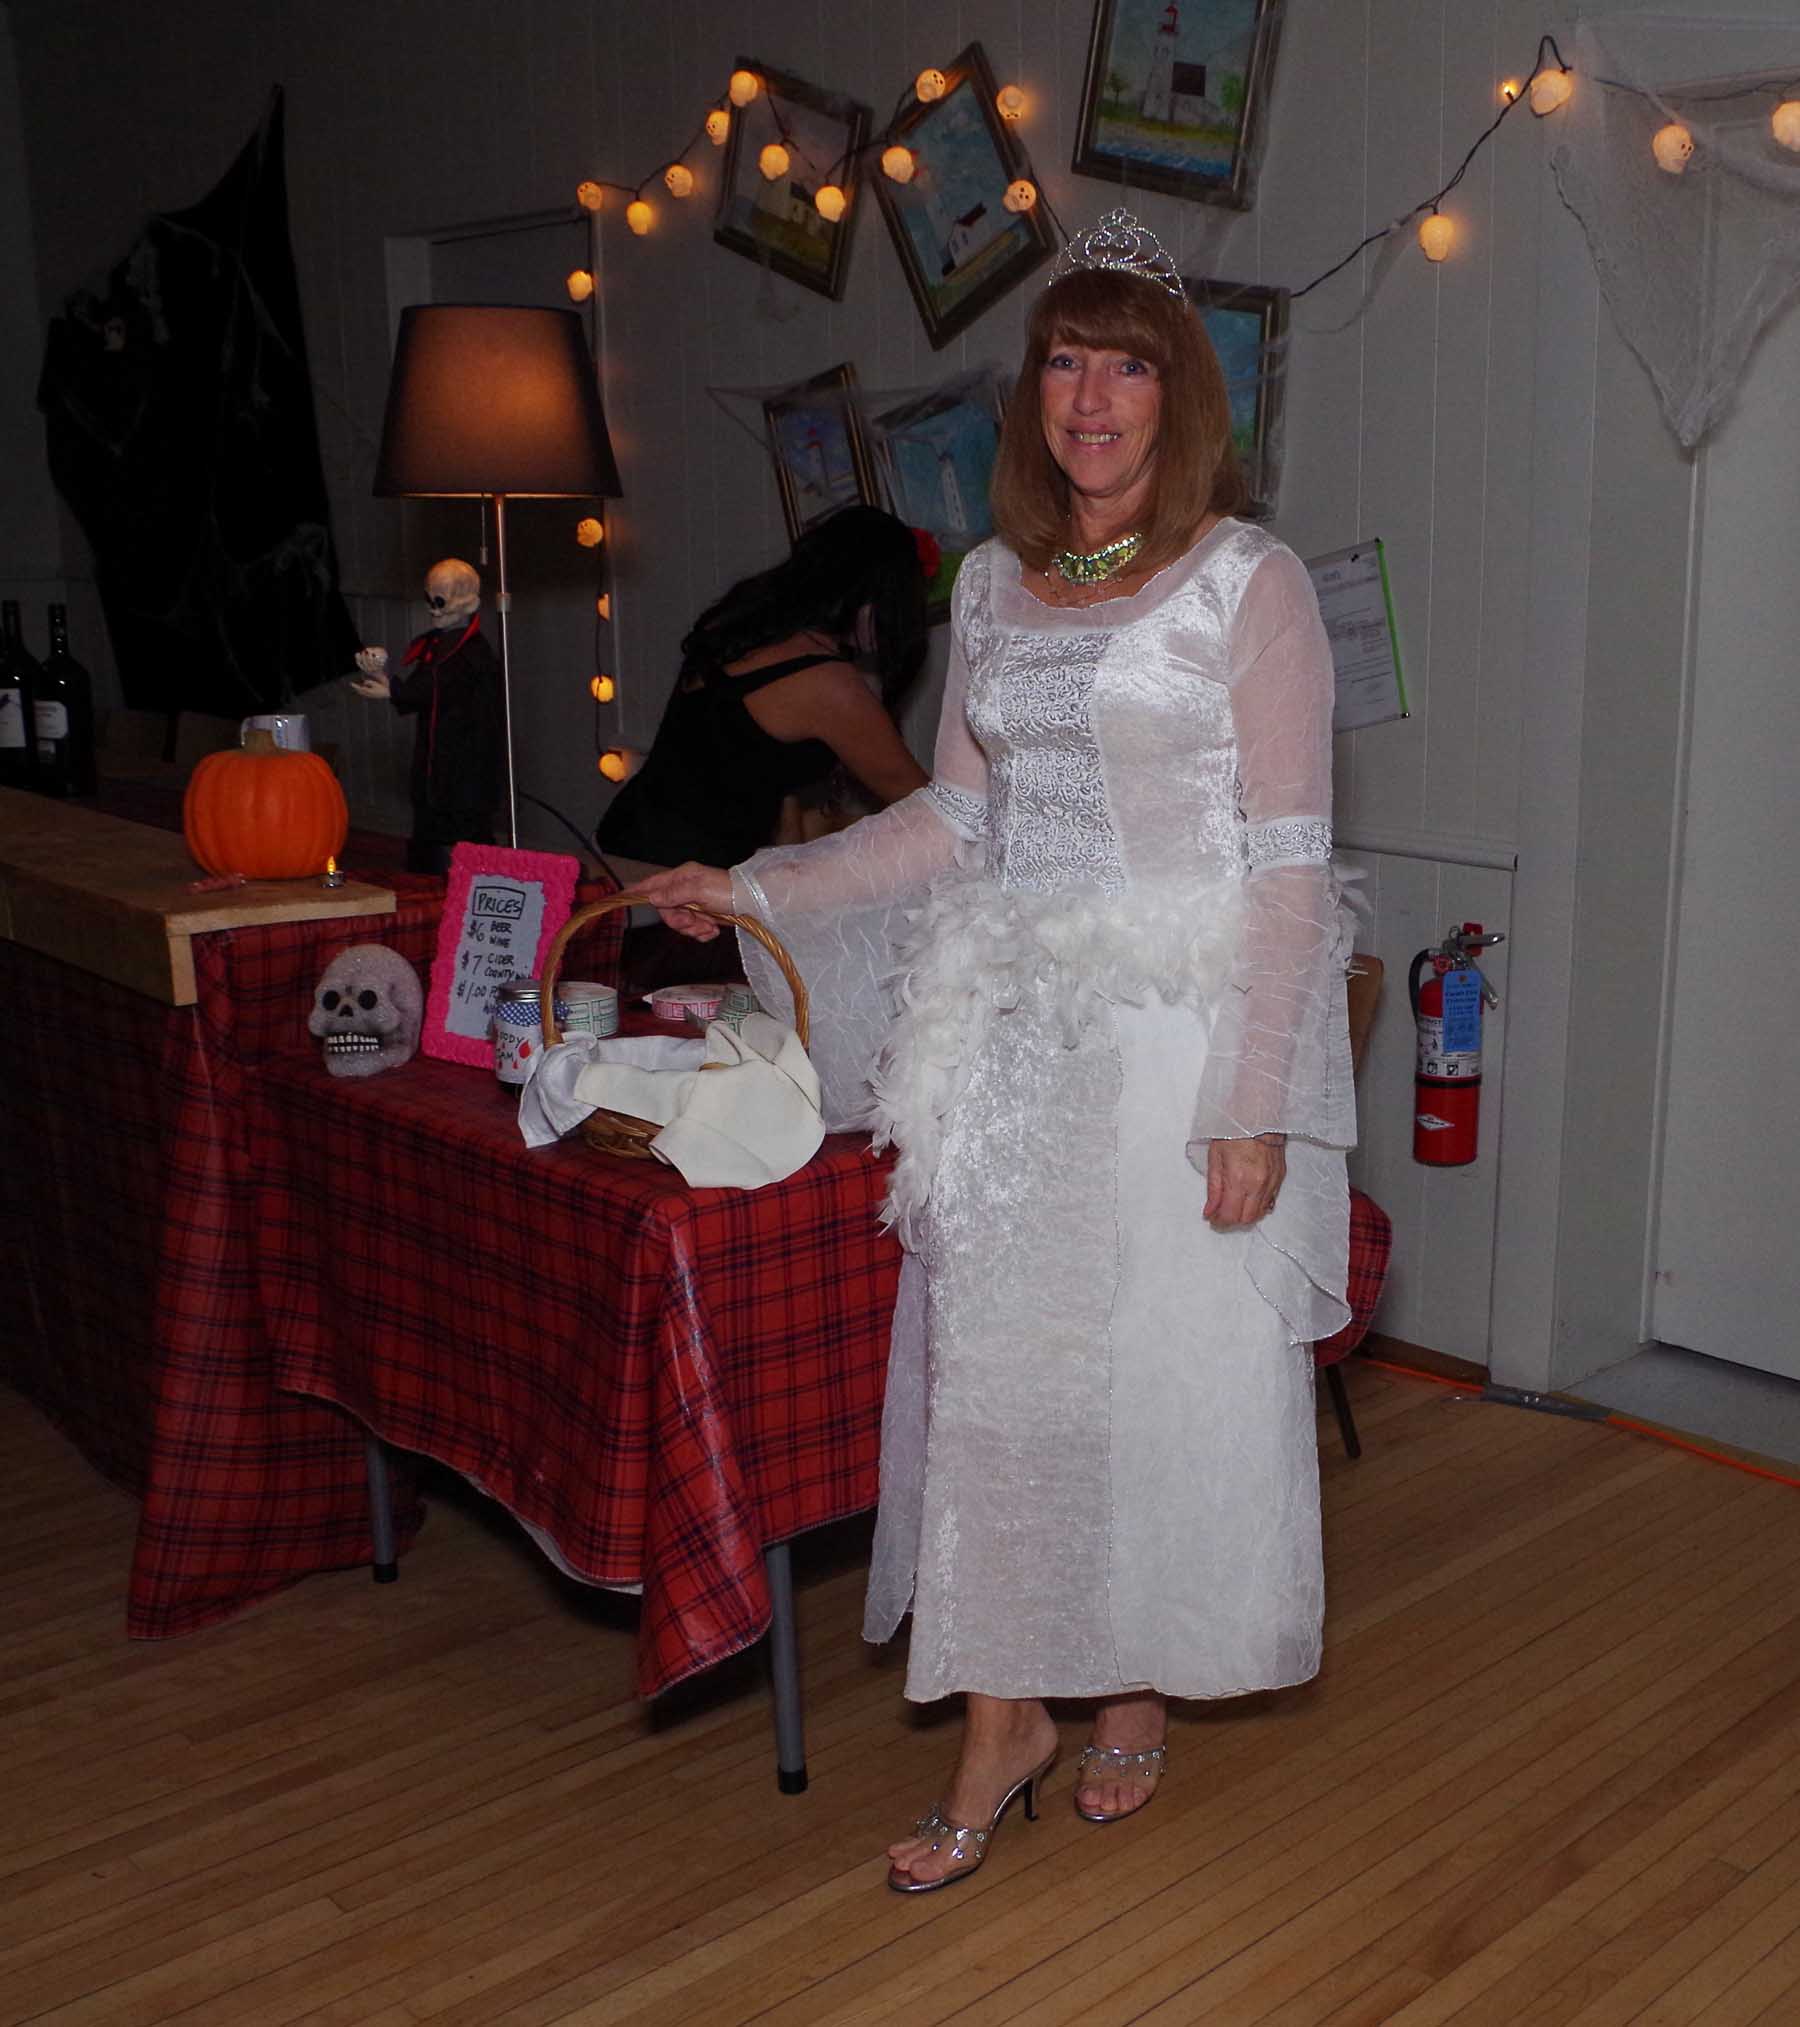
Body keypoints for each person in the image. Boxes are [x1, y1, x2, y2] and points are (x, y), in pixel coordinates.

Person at [635, 209, 1354, 1893]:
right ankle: (1003, 1719)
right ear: (1034, 393)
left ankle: (1131, 1683)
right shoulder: (990, 584)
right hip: (1014, 1055)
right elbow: (951, 824)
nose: (1091, 397)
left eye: (1128, 367)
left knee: (1152, 1385)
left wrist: (1254, 1100)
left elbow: (1289, 868)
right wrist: (751, 883)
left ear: (1180, 397)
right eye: (1066, 363)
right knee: (1000, 1390)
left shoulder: (1250, 583)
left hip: (1174, 1052)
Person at [596, 505, 930, 872]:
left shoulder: (742, 626)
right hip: (684, 875)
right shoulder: (829, 683)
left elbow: (758, 773)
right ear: (872, 599)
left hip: (627, 843)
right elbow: (927, 808)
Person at [350, 557, 504, 874]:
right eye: (429, 599)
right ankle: (428, 865)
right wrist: (386, 681)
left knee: (461, 817)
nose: (433, 609)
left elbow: (437, 686)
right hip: (437, 753)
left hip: (464, 758)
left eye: (440, 601)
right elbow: (423, 686)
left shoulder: (472, 652)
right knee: (430, 809)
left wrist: (393, 689)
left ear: (466, 603)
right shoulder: (439, 644)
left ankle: (465, 870)